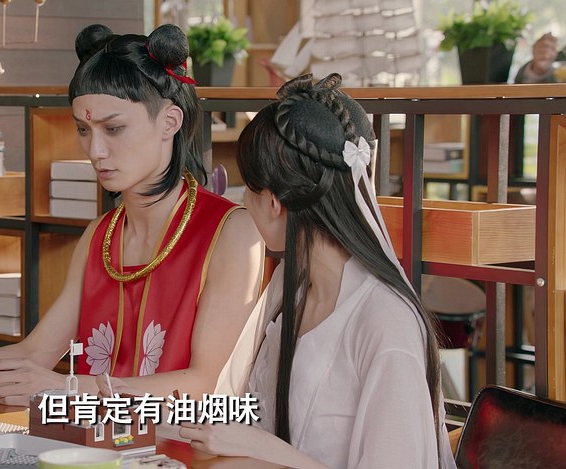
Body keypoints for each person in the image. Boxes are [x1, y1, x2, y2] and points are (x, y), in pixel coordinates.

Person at [0, 23, 265, 406]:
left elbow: (205, 384)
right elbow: (35, 354)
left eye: (114, 128)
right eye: (83, 129)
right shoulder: (101, 236)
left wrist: (64, 389)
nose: (95, 150)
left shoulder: (232, 232)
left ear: (170, 122)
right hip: (96, 435)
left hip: (183, 439)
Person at [175, 74, 456, 468]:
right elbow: (244, 412)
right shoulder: (290, 286)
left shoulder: (385, 322)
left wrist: (266, 449)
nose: (243, 203)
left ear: (273, 202)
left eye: (248, 190)